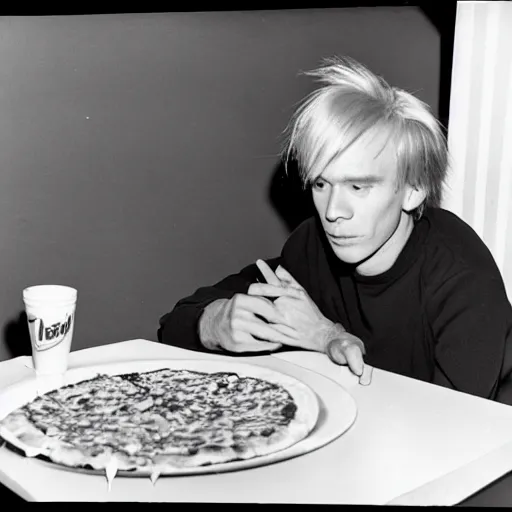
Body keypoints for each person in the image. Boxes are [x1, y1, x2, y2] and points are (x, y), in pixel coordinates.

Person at [158, 55, 512, 405]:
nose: (333, 212)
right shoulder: (313, 246)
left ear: (413, 189)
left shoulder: (462, 276)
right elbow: (175, 322)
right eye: (321, 184)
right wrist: (214, 324)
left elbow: (455, 432)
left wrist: (326, 335)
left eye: (358, 187)